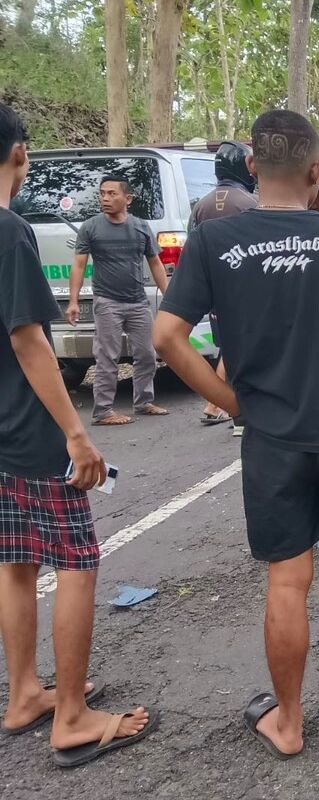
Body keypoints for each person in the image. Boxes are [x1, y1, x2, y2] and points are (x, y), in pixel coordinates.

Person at [153, 110, 319, 759]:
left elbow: (166, 338)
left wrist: (232, 402)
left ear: (250, 167)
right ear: (311, 171)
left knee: (288, 581)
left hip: (272, 434)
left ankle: (291, 723)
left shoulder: (215, 241)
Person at [0, 102, 156, 767]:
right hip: (30, 430)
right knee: (78, 565)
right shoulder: (9, 231)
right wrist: (76, 434)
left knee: (15, 561)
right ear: (20, 154)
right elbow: (29, 340)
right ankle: (70, 716)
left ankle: (25, 693)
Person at [67, 176, 170, 425]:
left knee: (147, 353)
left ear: (128, 198)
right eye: (102, 193)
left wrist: (170, 296)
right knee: (106, 357)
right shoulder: (91, 227)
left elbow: (155, 263)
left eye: (112, 193)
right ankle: (103, 411)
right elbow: (79, 266)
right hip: (107, 302)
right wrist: (73, 301)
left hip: (137, 302)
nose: (105, 198)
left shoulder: (140, 226)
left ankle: (144, 402)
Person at [189, 140, 258, 429]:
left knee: (229, 348)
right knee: (241, 351)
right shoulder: (251, 204)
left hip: (216, 293)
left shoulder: (200, 206)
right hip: (247, 292)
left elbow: (194, 252)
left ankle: (217, 405)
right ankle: (226, 408)